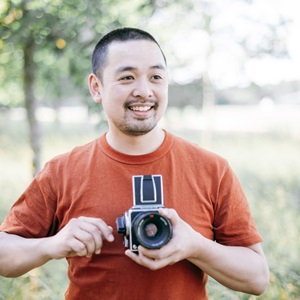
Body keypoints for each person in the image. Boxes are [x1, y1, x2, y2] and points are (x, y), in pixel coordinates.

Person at [0, 27, 269, 299]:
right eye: (127, 77)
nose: (144, 91)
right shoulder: (62, 171)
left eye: (156, 77)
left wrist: (196, 247)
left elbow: (257, 278)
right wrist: (52, 246)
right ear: (96, 88)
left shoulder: (212, 169)